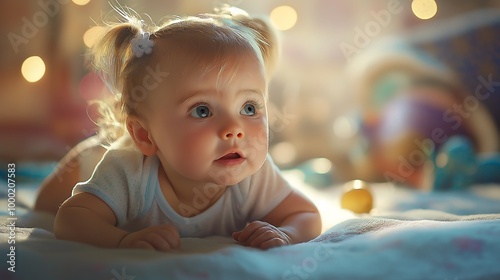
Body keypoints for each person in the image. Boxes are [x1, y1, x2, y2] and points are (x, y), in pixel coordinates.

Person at [53, 5, 322, 251]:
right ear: (145, 135)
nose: (234, 129)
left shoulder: (254, 176)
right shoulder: (128, 174)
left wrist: (285, 233)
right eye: (202, 110)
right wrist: (122, 240)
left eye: (249, 108)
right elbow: (70, 219)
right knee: (55, 191)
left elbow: (305, 215)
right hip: (90, 161)